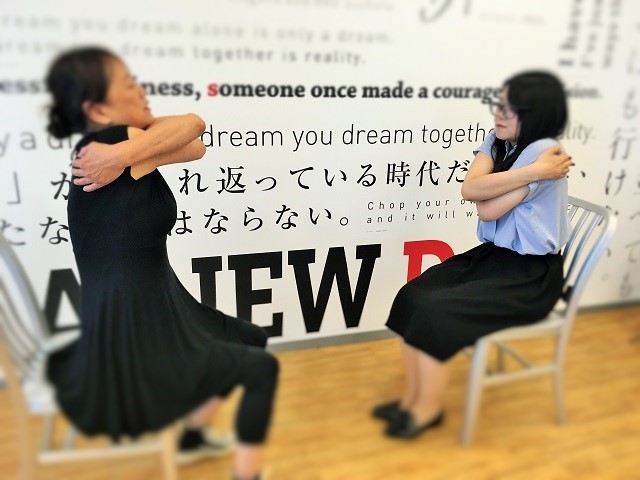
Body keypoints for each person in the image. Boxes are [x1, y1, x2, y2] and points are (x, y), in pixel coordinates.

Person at [44, 46, 278, 480]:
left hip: (150, 308)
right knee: (263, 367)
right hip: (132, 331)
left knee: (252, 338)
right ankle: (247, 474)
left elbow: (194, 146)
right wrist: (126, 151)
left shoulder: (114, 151)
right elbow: (194, 126)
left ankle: (193, 437)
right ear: (98, 109)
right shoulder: (108, 146)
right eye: (128, 84)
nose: (142, 90)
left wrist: (126, 153)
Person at [374, 71, 573, 439]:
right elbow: (471, 190)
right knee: (414, 293)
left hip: (530, 275)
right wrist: (533, 174)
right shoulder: (503, 141)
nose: (499, 113)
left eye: (511, 109)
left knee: (434, 310)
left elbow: (487, 209)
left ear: (537, 113)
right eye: (500, 105)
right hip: (495, 258)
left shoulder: (546, 151)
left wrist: (521, 174)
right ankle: (412, 402)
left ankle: (427, 409)